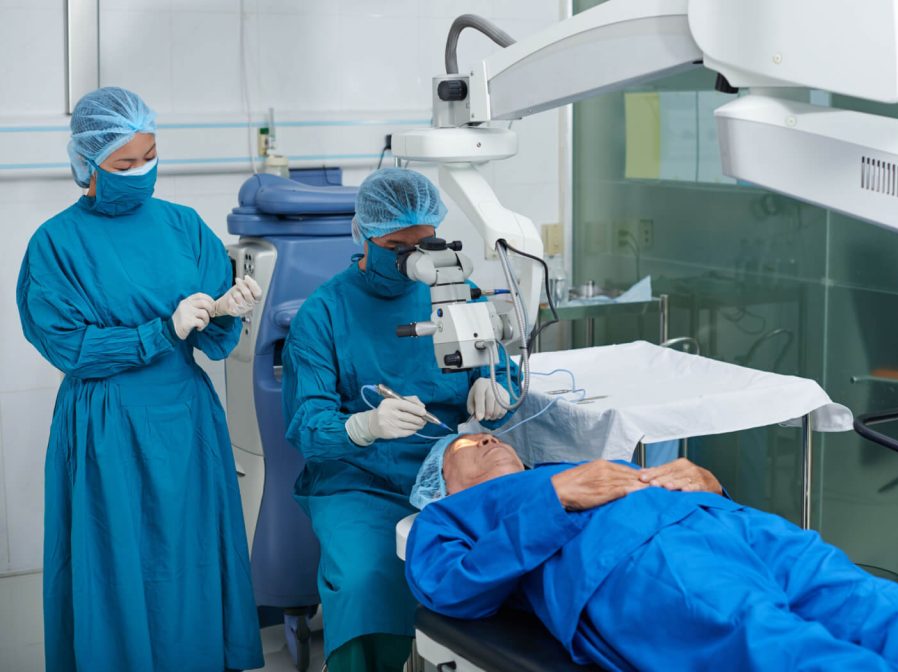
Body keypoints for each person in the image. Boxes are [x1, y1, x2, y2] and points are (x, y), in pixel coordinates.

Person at [405, 433, 898, 672]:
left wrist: (707, 482)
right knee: (773, 639)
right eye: (466, 446)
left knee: (892, 608)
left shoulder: (572, 460)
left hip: (738, 527)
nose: (486, 438)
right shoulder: (450, 516)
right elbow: (444, 588)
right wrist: (553, 498)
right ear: (445, 481)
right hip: (636, 561)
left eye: (489, 432)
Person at [17, 87, 264, 672]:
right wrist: (159, 330)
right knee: (115, 562)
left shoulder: (184, 227)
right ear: (87, 163)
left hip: (185, 423)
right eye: (125, 164)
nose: (141, 172)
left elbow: (211, 342)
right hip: (106, 427)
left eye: (150, 157)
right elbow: (68, 345)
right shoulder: (55, 244)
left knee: (188, 559)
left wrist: (225, 310)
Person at [281, 168, 520, 672]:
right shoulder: (324, 313)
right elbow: (306, 425)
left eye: (426, 243)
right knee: (367, 576)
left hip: (450, 472)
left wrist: (495, 384)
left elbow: (509, 371)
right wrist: (361, 427)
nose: (413, 259)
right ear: (363, 235)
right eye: (396, 246)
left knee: (508, 560)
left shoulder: (458, 289)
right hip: (358, 482)